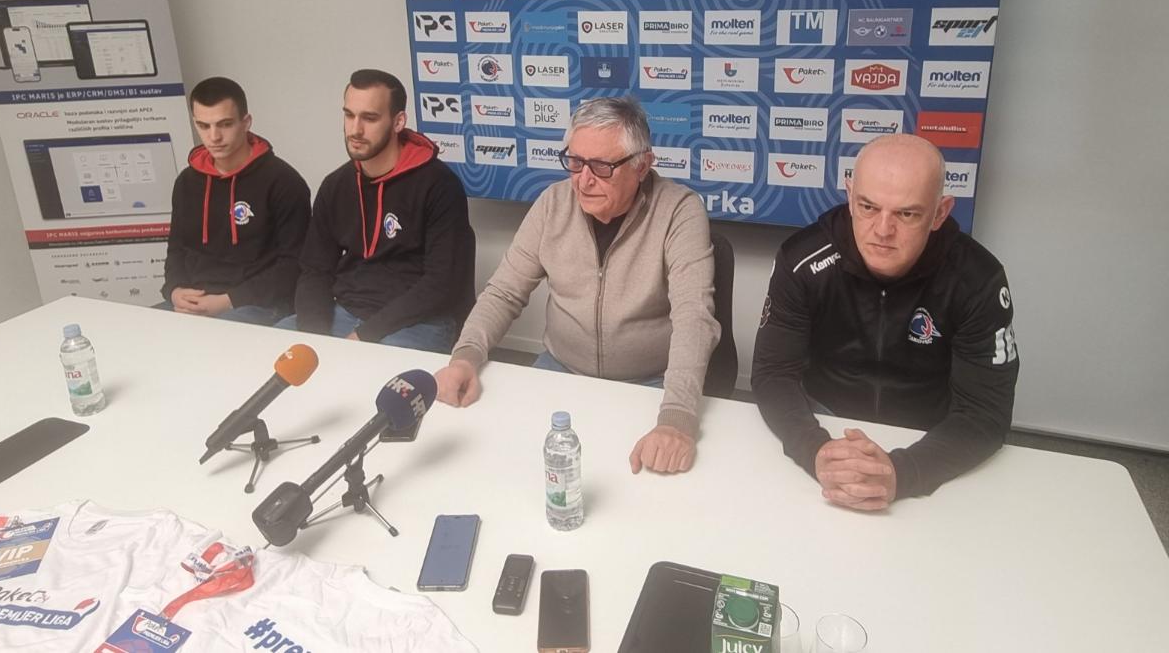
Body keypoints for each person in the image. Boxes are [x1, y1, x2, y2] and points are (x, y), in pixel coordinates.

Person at [435, 97, 720, 475]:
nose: (583, 181)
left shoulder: (679, 210)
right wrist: (465, 357)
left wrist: (676, 419)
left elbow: (693, 317)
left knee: (636, 479)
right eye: (575, 162)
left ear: (642, 165)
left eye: (602, 167)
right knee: (504, 462)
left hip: (648, 381)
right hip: (560, 368)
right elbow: (504, 292)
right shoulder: (552, 203)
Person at [752, 134, 1019, 510]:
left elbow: (986, 410)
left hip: (930, 436)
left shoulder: (979, 279)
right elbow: (772, 374)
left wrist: (904, 472)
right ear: (850, 196)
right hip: (823, 422)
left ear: (940, 213)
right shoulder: (801, 261)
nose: (882, 230)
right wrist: (816, 450)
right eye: (868, 207)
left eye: (906, 214)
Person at [284, 69, 472, 352]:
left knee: (366, 372)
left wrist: (364, 336)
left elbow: (441, 283)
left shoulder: (439, 185)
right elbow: (315, 270)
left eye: (369, 118)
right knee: (273, 352)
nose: (355, 130)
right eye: (349, 115)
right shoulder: (336, 185)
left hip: (418, 322)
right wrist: (315, 336)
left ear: (398, 122)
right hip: (344, 312)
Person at [160, 77, 311, 324]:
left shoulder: (284, 182)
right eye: (204, 126)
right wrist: (175, 291)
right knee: (137, 332)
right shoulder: (187, 182)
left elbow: (294, 265)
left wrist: (227, 300)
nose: (214, 136)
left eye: (225, 124)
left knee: (211, 340)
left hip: (256, 304)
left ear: (246, 122)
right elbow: (176, 250)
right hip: (194, 302)